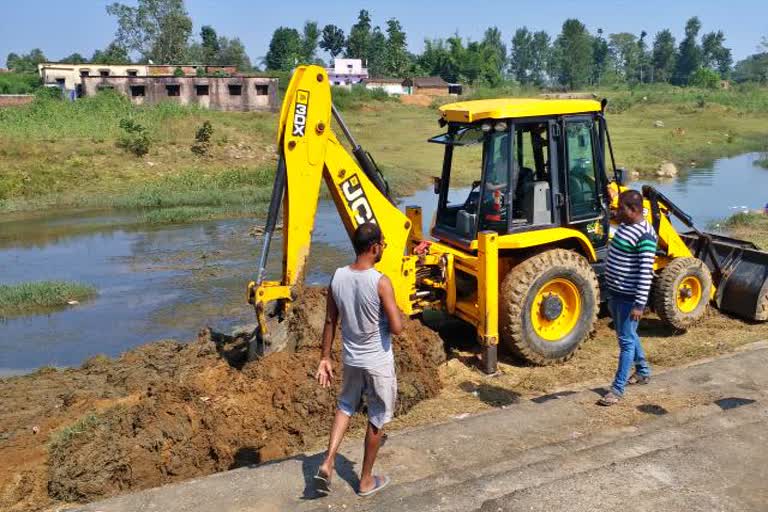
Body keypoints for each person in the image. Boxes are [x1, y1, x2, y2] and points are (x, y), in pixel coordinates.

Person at [314, 222, 403, 496]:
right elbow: (397, 328)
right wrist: (398, 316)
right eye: (383, 245)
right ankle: (365, 480)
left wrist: (325, 357)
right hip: (377, 362)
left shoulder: (338, 276)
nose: (383, 249)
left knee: (345, 406)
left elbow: (330, 320)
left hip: (351, 359)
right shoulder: (380, 281)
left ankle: (328, 462)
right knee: (376, 415)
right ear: (375, 247)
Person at [599, 189, 657, 406]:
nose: (617, 211)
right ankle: (642, 371)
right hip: (615, 293)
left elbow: (645, 274)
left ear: (633, 210)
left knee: (625, 342)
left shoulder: (646, 236)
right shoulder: (625, 225)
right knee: (629, 335)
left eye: (621, 207)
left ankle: (617, 389)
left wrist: (639, 305)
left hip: (628, 298)